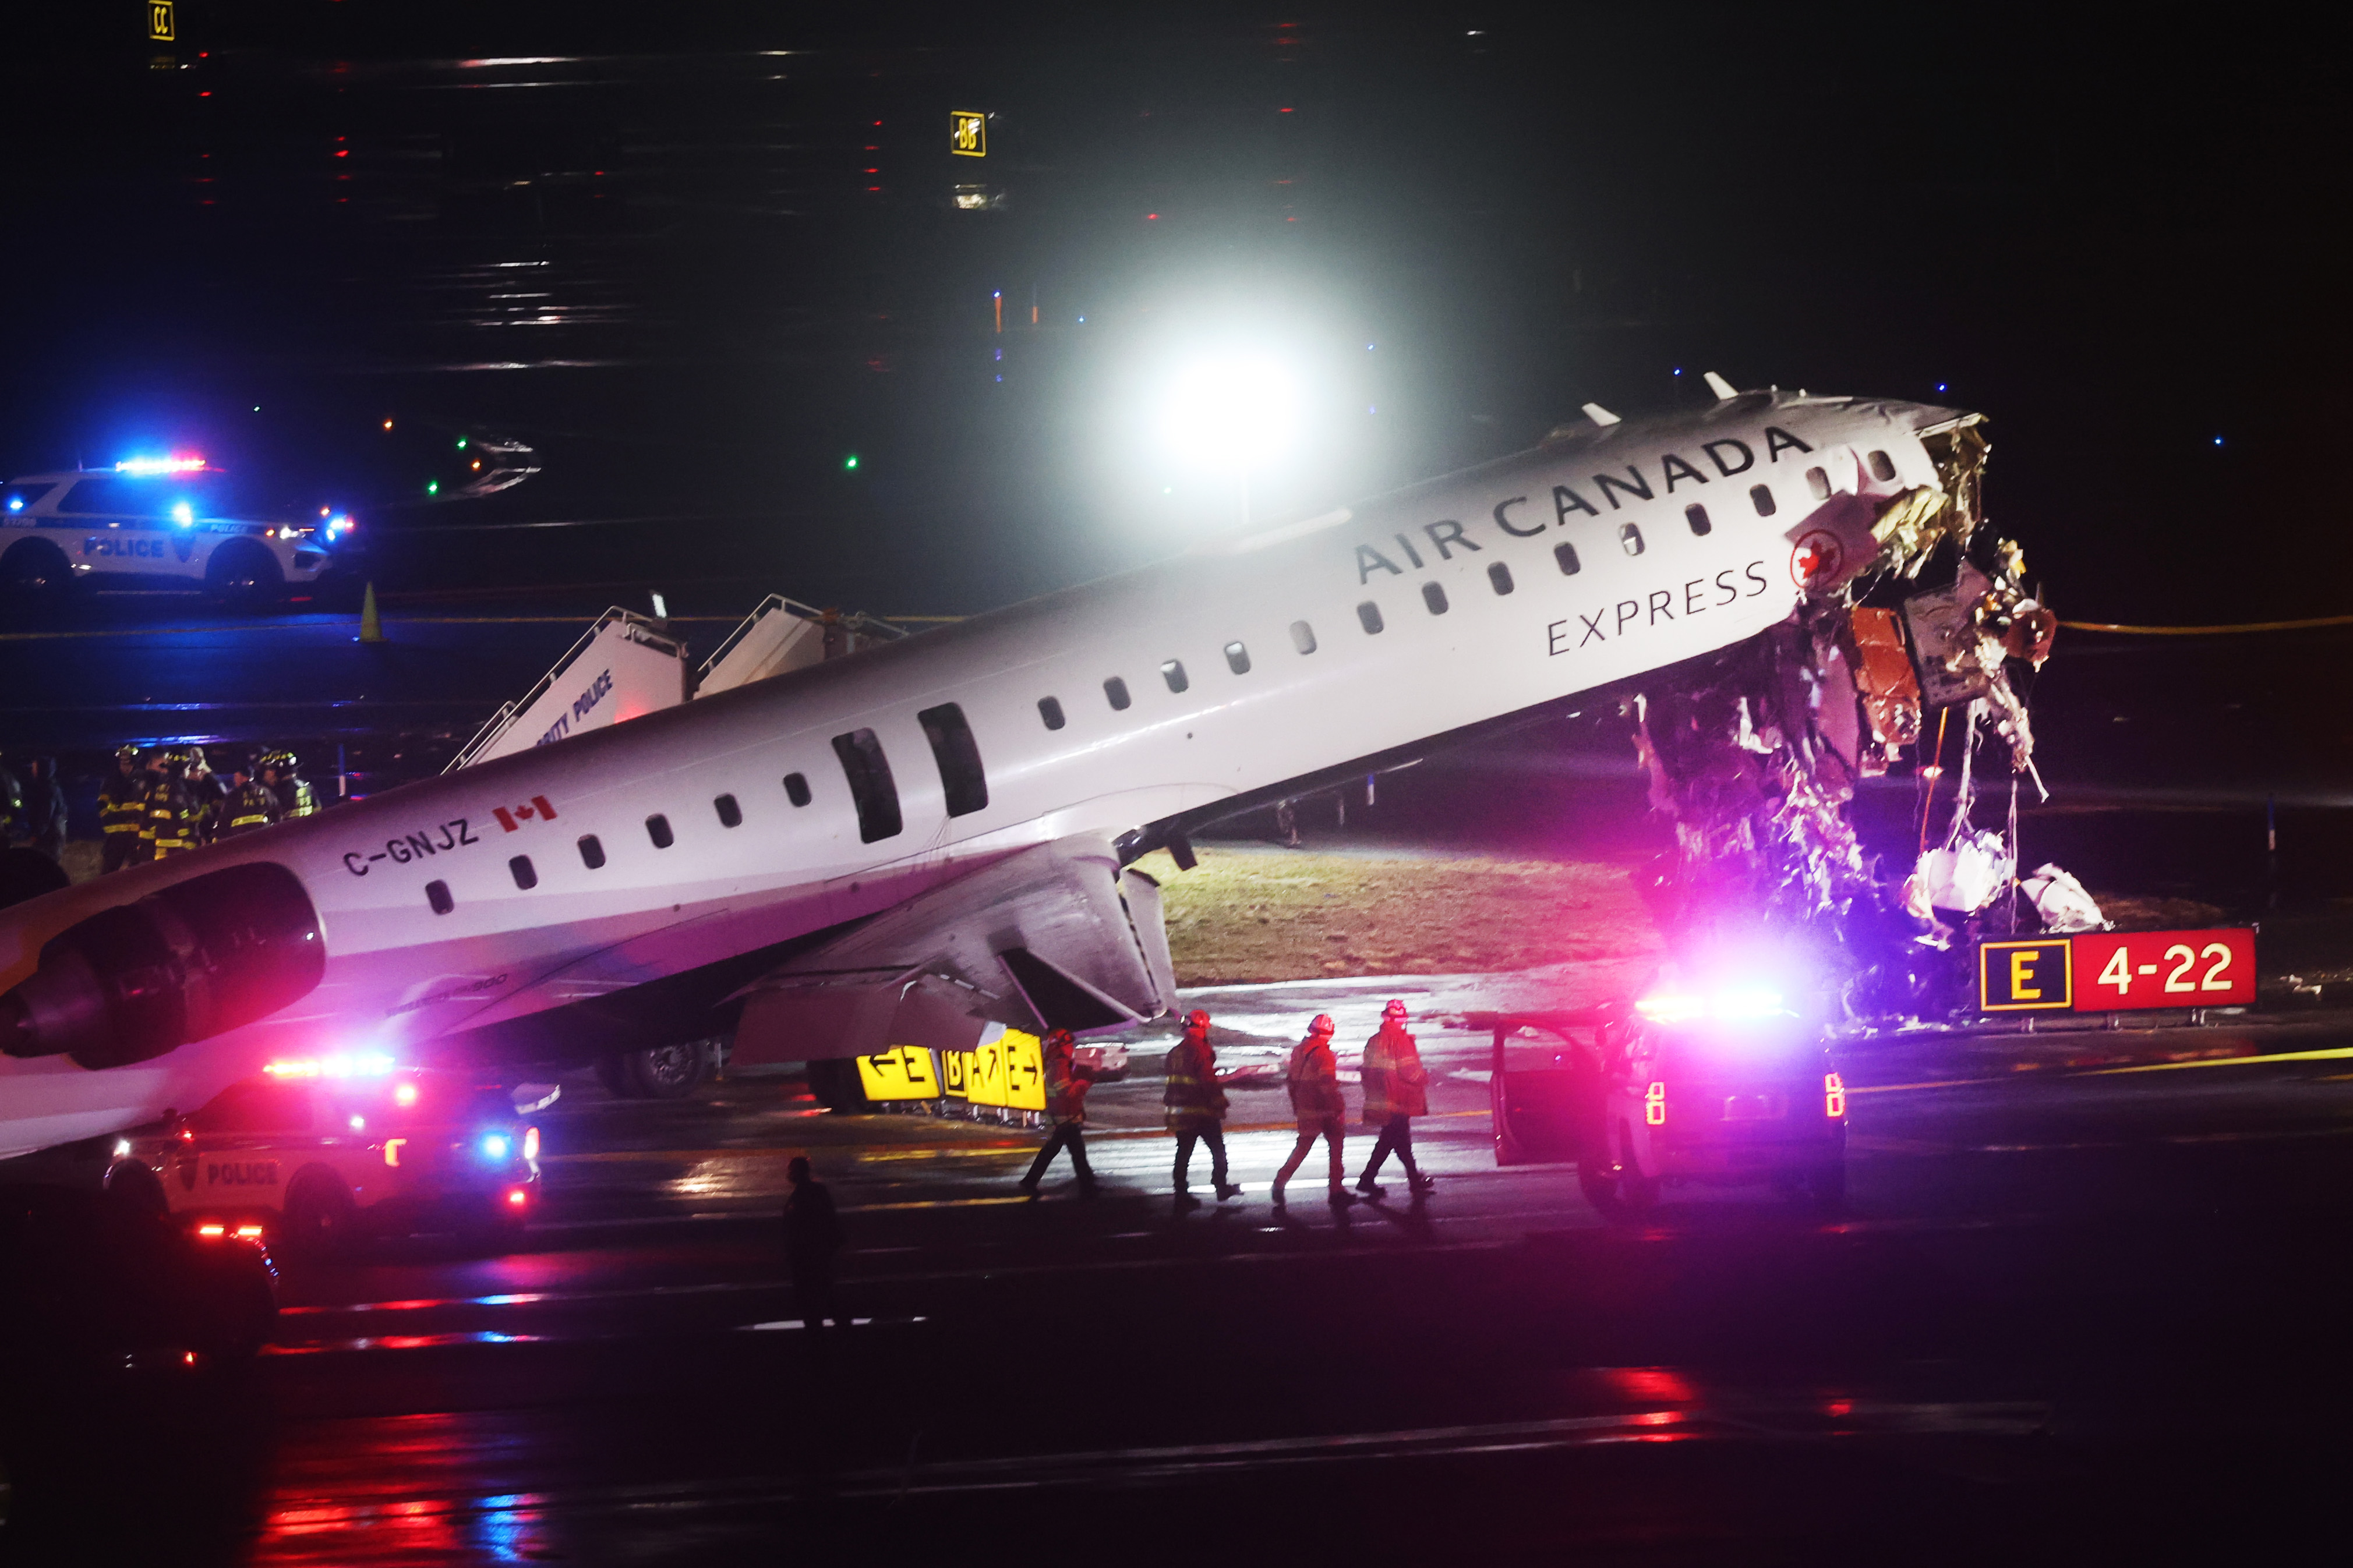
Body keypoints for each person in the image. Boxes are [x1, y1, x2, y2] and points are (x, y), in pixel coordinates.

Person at [1356, 999, 1435, 1198]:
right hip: (1399, 1099)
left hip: (1381, 1099)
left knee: (1398, 1141)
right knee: (1392, 1141)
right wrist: (1424, 1077)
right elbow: (1410, 1072)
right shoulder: (1402, 1040)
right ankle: (1368, 1179)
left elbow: (1367, 1071)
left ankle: (1412, 1180)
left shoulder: (1374, 1040)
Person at [1271, 1014, 1351, 1208]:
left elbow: (1291, 1081)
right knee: (1336, 1147)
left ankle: (1280, 1181)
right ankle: (1336, 1190)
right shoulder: (1324, 1054)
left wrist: (1297, 1105)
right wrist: (1338, 1107)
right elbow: (1327, 1085)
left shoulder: (1299, 1051)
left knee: (1303, 1147)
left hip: (1305, 1108)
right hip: (1323, 1109)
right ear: (1330, 1033)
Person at [1164, 1007, 1241, 1206]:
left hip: (1181, 1113)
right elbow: (1207, 1081)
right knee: (1218, 1151)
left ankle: (1181, 1194)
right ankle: (1221, 1187)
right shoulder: (1200, 1049)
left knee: (1183, 1154)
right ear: (1201, 1029)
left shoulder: (1175, 1052)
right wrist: (1223, 1096)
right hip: (1201, 1113)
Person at [1019, 1028, 1098, 1199]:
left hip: (1063, 1116)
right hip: (1066, 1117)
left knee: (1063, 1150)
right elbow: (1067, 1093)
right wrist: (1085, 1082)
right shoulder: (1060, 1064)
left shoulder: (1055, 1062)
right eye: (1069, 1044)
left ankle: (1088, 1182)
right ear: (1062, 1045)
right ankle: (1088, 1186)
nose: (1072, 1047)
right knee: (1074, 1152)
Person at [782, 1155, 845, 1330]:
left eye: (791, 1171)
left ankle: (819, 1329)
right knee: (825, 1288)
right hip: (819, 1252)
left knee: (812, 1292)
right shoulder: (818, 1191)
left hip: (808, 1254)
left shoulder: (800, 1197)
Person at [143, 750, 202, 861]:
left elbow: (148, 815)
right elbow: (189, 814)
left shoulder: (158, 788)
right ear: (182, 768)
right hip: (181, 847)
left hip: (161, 846)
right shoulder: (181, 787)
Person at [98, 746, 151, 872]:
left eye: (128, 765)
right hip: (115, 834)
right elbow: (102, 803)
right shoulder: (111, 780)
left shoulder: (143, 779)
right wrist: (108, 818)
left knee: (136, 870)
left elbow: (148, 803)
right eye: (122, 765)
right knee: (109, 871)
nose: (125, 768)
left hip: (136, 833)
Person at [12, 756, 66, 863]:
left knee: (46, 863)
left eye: (35, 767)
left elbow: (46, 814)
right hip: (51, 833)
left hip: (50, 835)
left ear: (43, 769)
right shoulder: (47, 786)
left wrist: (37, 834)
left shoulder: (48, 789)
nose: (33, 770)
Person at [219, 760, 282, 839]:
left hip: (240, 840)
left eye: (236, 776)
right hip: (264, 838)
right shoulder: (267, 792)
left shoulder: (233, 795)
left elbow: (224, 822)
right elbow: (278, 816)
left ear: (242, 777)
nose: (234, 780)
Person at [262, 750, 320, 819]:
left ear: (279, 770)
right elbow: (318, 811)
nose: (265, 774)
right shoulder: (307, 787)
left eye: (270, 769)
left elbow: (274, 817)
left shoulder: (277, 791)